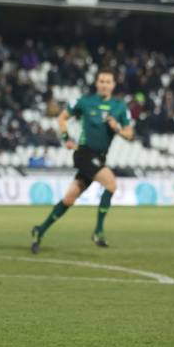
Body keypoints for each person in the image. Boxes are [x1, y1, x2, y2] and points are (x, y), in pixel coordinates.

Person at [31, 68, 133, 254]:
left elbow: (129, 134)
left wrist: (116, 128)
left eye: (108, 82)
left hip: (99, 157)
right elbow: (62, 117)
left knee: (69, 199)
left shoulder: (120, 107)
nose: (104, 84)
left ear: (113, 85)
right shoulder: (85, 102)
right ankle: (98, 231)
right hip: (84, 154)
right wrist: (65, 137)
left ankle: (40, 230)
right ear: (96, 83)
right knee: (111, 184)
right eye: (101, 81)